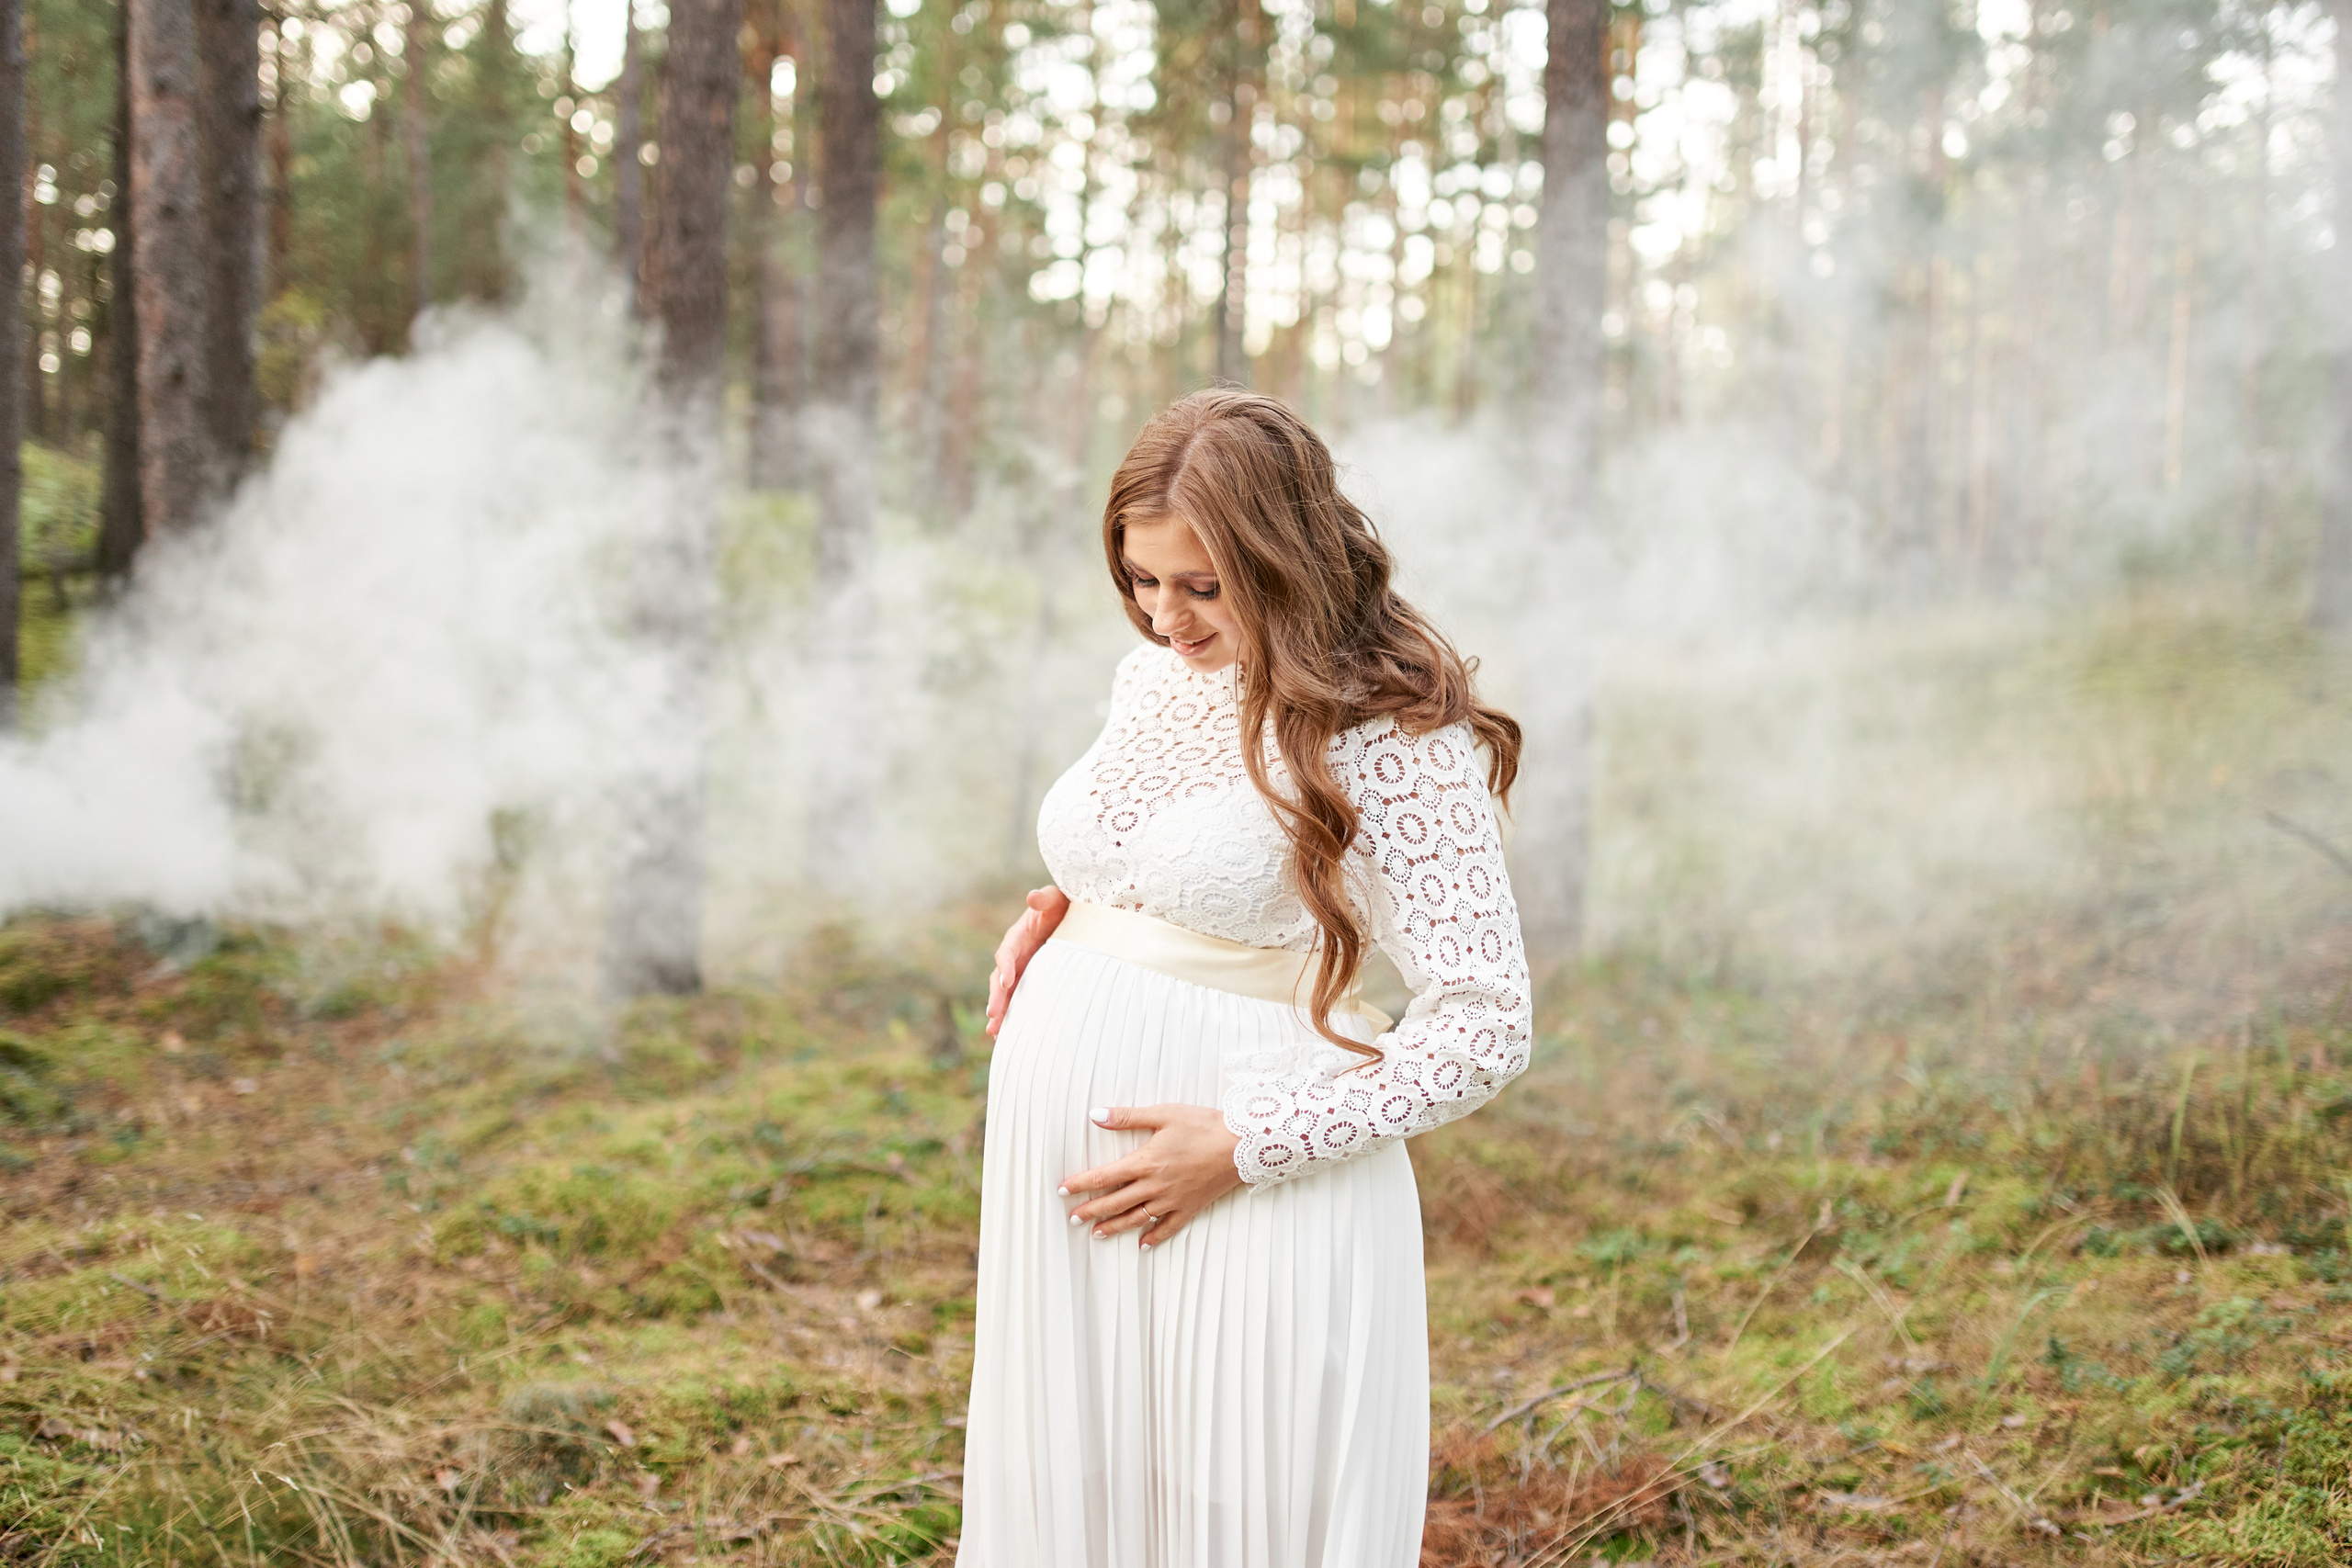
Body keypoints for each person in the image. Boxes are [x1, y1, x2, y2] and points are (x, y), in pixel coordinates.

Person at [958, 389, 1532, 1566]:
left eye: (1203, 586)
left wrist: (1248, 1143)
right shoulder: (1154, 676)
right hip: (1073, 1187)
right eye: (1141, 579)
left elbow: (1485, 1022)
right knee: (1083, 1491)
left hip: (1252, 1181)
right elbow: (1176, 843)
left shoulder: (1396, 733)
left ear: (1285, 560)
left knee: (1230, 1510)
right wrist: (1075, 907)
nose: (1165, 617)